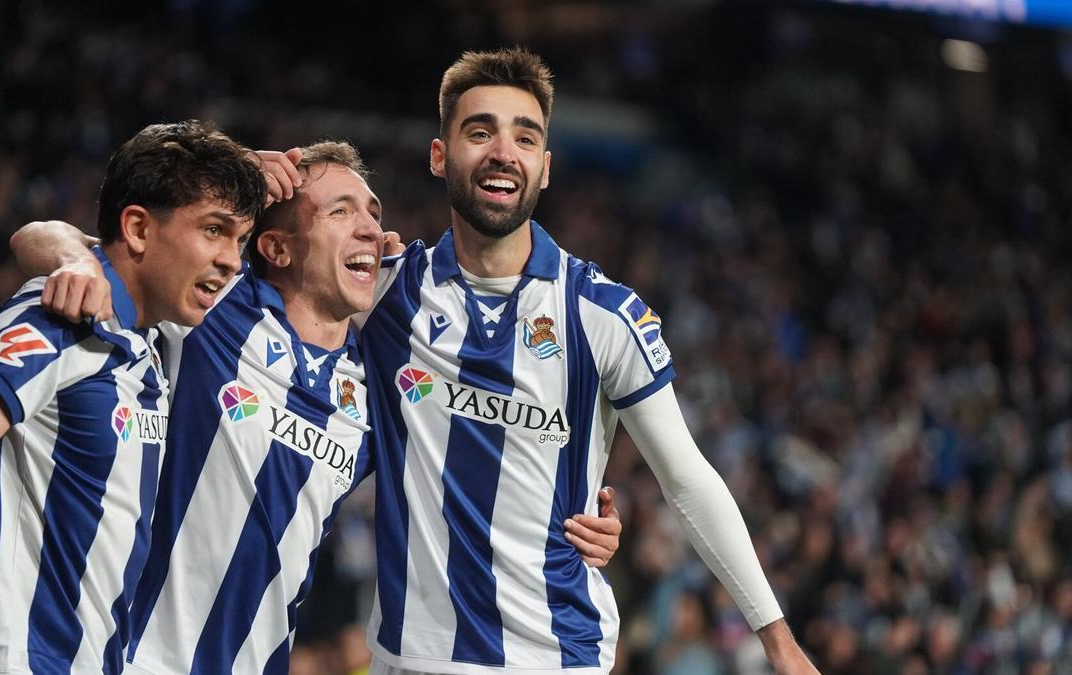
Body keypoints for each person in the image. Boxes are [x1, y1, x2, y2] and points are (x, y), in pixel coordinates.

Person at [10, 141, 623, 673]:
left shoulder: (378, 387)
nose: (370, 228)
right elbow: (44, 236)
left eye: (372, 212)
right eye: (340, 211)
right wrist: (76, 256)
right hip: (130, 658)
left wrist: (581, 524)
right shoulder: (219, 307)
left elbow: (477, 474)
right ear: (277, 248)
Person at [345, 48, 820, 673]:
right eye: (479, 131)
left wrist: (778, 642)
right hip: (408, 657)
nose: (501, 152)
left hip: (555, 657)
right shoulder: (379, 293)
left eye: (525, 137)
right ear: (440, 156)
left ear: (544, 169)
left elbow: (687, 479)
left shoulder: (602, 314)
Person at [0, 120, 265, 674]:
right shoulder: (63, 318)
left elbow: (36, 235)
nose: (232, 259)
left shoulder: (148, 339)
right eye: (213, 230)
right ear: (137, 227)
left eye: (240, 240)